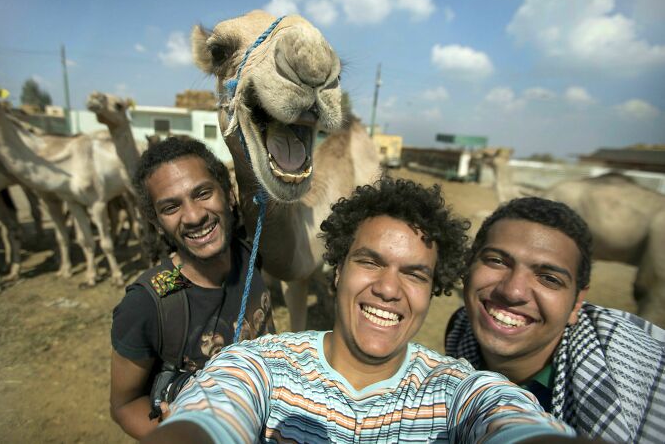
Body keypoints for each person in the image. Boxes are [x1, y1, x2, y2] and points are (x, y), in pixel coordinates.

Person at [142, 178, 579, 443]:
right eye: (370, 262)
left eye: (414, 274)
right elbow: (215, 413)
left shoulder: (457, 390)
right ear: (337, 272)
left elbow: (509, 422)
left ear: (432, 291)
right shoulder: (260, 365)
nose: (388, 288)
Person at [445, 196, 665, 443]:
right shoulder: (460, 333)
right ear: (468, 267)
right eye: (497, 261)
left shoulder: (634, 374)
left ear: (577, 303)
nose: (513, 291)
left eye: (549, 278)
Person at [110, 137, 275, 439]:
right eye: (171, 207)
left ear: (228, 194)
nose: (194, 216)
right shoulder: (148, 304)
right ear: (157, 222)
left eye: (202, 193)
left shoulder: (249, 257)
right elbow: (124, 404)